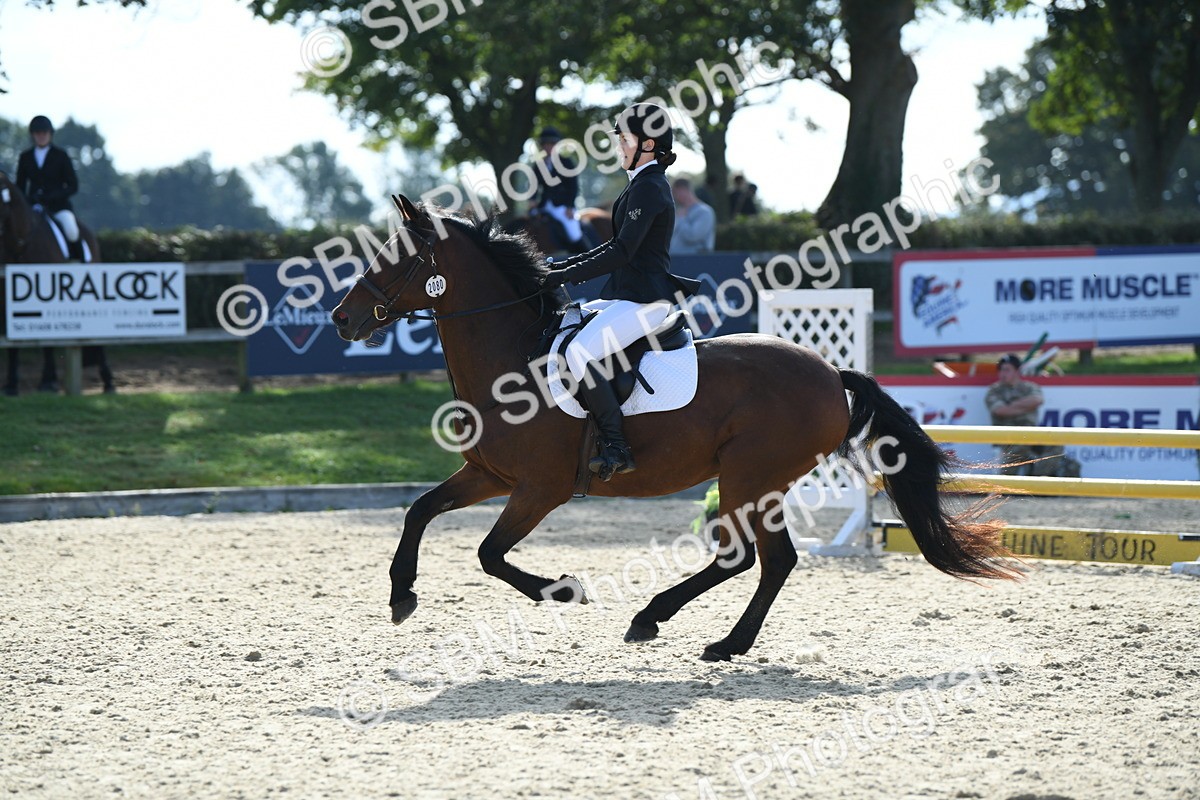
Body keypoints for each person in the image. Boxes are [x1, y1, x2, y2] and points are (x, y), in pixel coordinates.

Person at [542, 103, 701, 480]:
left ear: (647, 144)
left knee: (580, 352)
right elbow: (613, 244)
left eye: (624, 139)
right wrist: (559, 269)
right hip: (626, 296)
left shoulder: (650, 187)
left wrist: (566, 275)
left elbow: (621, 251)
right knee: (564, 328)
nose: (618, 147)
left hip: (645, 302)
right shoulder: (640, 184)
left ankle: (616, 446)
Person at [985, 354, 1077, 477]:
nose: (1002, 373)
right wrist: (1025, 407)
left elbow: (1038, 400)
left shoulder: (1029, 387)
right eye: (1001, 370)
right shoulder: (994, 390)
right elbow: (1000, 410)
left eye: (1007, 370)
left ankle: (1038, 479)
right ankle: (1005, 484)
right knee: (1021, 444)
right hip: (1007, 436)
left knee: (1055, 442)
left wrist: (1012, 405)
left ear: (1017, 371)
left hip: (1031, 433)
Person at [16, 115, 83, 262]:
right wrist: (28, 200)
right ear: (33, 135)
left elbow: (73, 185)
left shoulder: (61, 155)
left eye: (44, 133)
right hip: (33, 207)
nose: (41, 136)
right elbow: (20, 186)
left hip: (58, 207)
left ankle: (78, 261)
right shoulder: (25, 157)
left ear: (50, 134)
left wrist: (52, 196)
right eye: (37, 133)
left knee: (71, 229)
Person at [531, 126, 586, 253]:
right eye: (545, 144)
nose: (548, 147)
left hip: (562, 207)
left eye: (552, 144)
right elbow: (534, 186)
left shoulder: (566, 163)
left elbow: (573, 186)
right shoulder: (538, 165)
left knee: (574, 233)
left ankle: (588, 256)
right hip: (544, 206)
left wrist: (569, 206)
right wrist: (532, 200)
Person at [669, 178, 716, 254]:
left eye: (675, 193)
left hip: (695, 261)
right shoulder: (680, 210)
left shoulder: (705, 212)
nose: (674, 197)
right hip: (678, 260)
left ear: (683, 190)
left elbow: (693, 236)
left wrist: (682, 218)